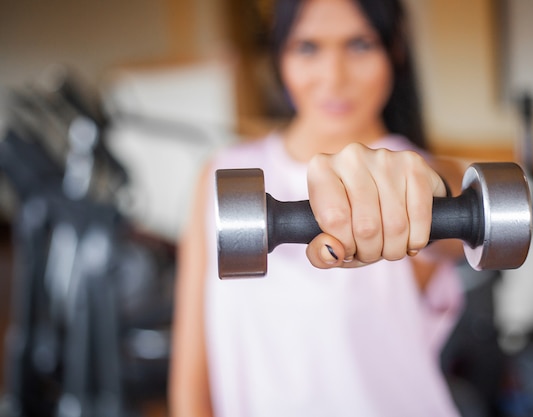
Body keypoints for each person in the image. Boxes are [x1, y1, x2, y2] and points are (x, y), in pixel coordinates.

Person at [169, 0, 465, 415]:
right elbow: (191, 376)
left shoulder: (412, 175)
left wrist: (434, 190)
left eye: (360, 45)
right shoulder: (223, 174)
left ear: (395, 49)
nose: (334, 77)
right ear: (279, 55)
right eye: (308, 47)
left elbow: (450, 197)